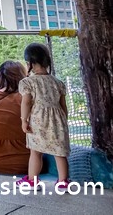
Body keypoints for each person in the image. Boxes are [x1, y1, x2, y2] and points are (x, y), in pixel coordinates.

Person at [17, 42, 70, 188]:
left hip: (38, 120)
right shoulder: (57, 82)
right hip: (58, 119)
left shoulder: (28, 82)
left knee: (36, 151)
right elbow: (63, 105)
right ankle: (63, 182)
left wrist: (24, 120)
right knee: (60, 152)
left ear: (30, 63)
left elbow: (26, 103)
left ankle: (32, 180)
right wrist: (64, 119)